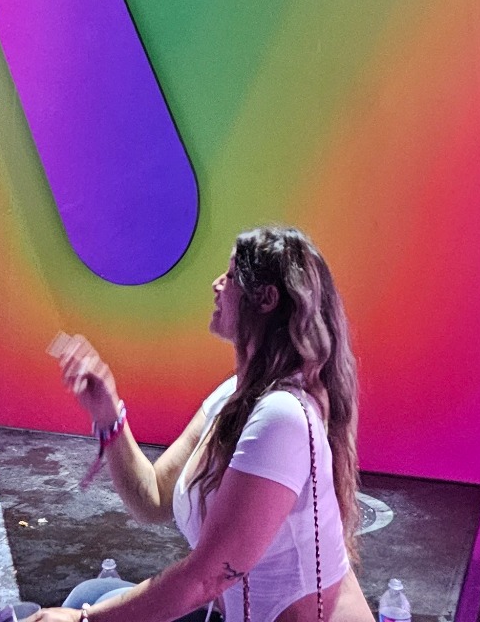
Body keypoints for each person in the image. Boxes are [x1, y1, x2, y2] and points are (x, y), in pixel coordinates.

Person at [43, 226, 374, 622]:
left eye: (230, 276)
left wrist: (84, 621)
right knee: (90, 593)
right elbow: (152, 498)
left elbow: (208, 578)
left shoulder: (282, 418)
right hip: (230, 608)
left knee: (86, 604)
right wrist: (108, 414)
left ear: (266, 299)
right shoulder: (234, 396)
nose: (216, 284)